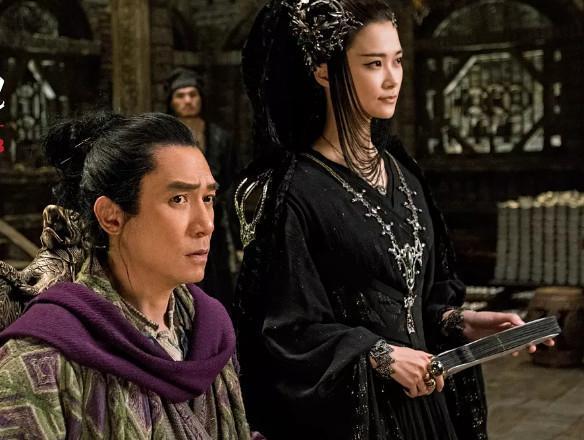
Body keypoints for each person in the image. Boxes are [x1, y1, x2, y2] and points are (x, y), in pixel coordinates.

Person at [233, 1, 552, 439]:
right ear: (324, 71)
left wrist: (459, 321)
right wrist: (378, 355)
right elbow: (285, 331)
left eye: (397, 60)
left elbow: (414, 299)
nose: (392, 78)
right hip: (357, 420)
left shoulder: (404, 175)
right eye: (373, 63)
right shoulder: (293, 192)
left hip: (427, 406)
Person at [0, 112, 250, 439]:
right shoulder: (42, 358)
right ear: (112, 217)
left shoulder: (210, 332)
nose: (206, 224)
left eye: (208, 199)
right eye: (178, 199)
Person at [166, 68, 239, 314]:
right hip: (178, 218)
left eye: (192, 94)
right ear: (172, 101)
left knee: (217, 276)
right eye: (180, 96)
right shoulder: (165, 141)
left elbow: (231, 179)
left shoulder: (220, 137)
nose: (187, 101)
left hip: (215, 219)